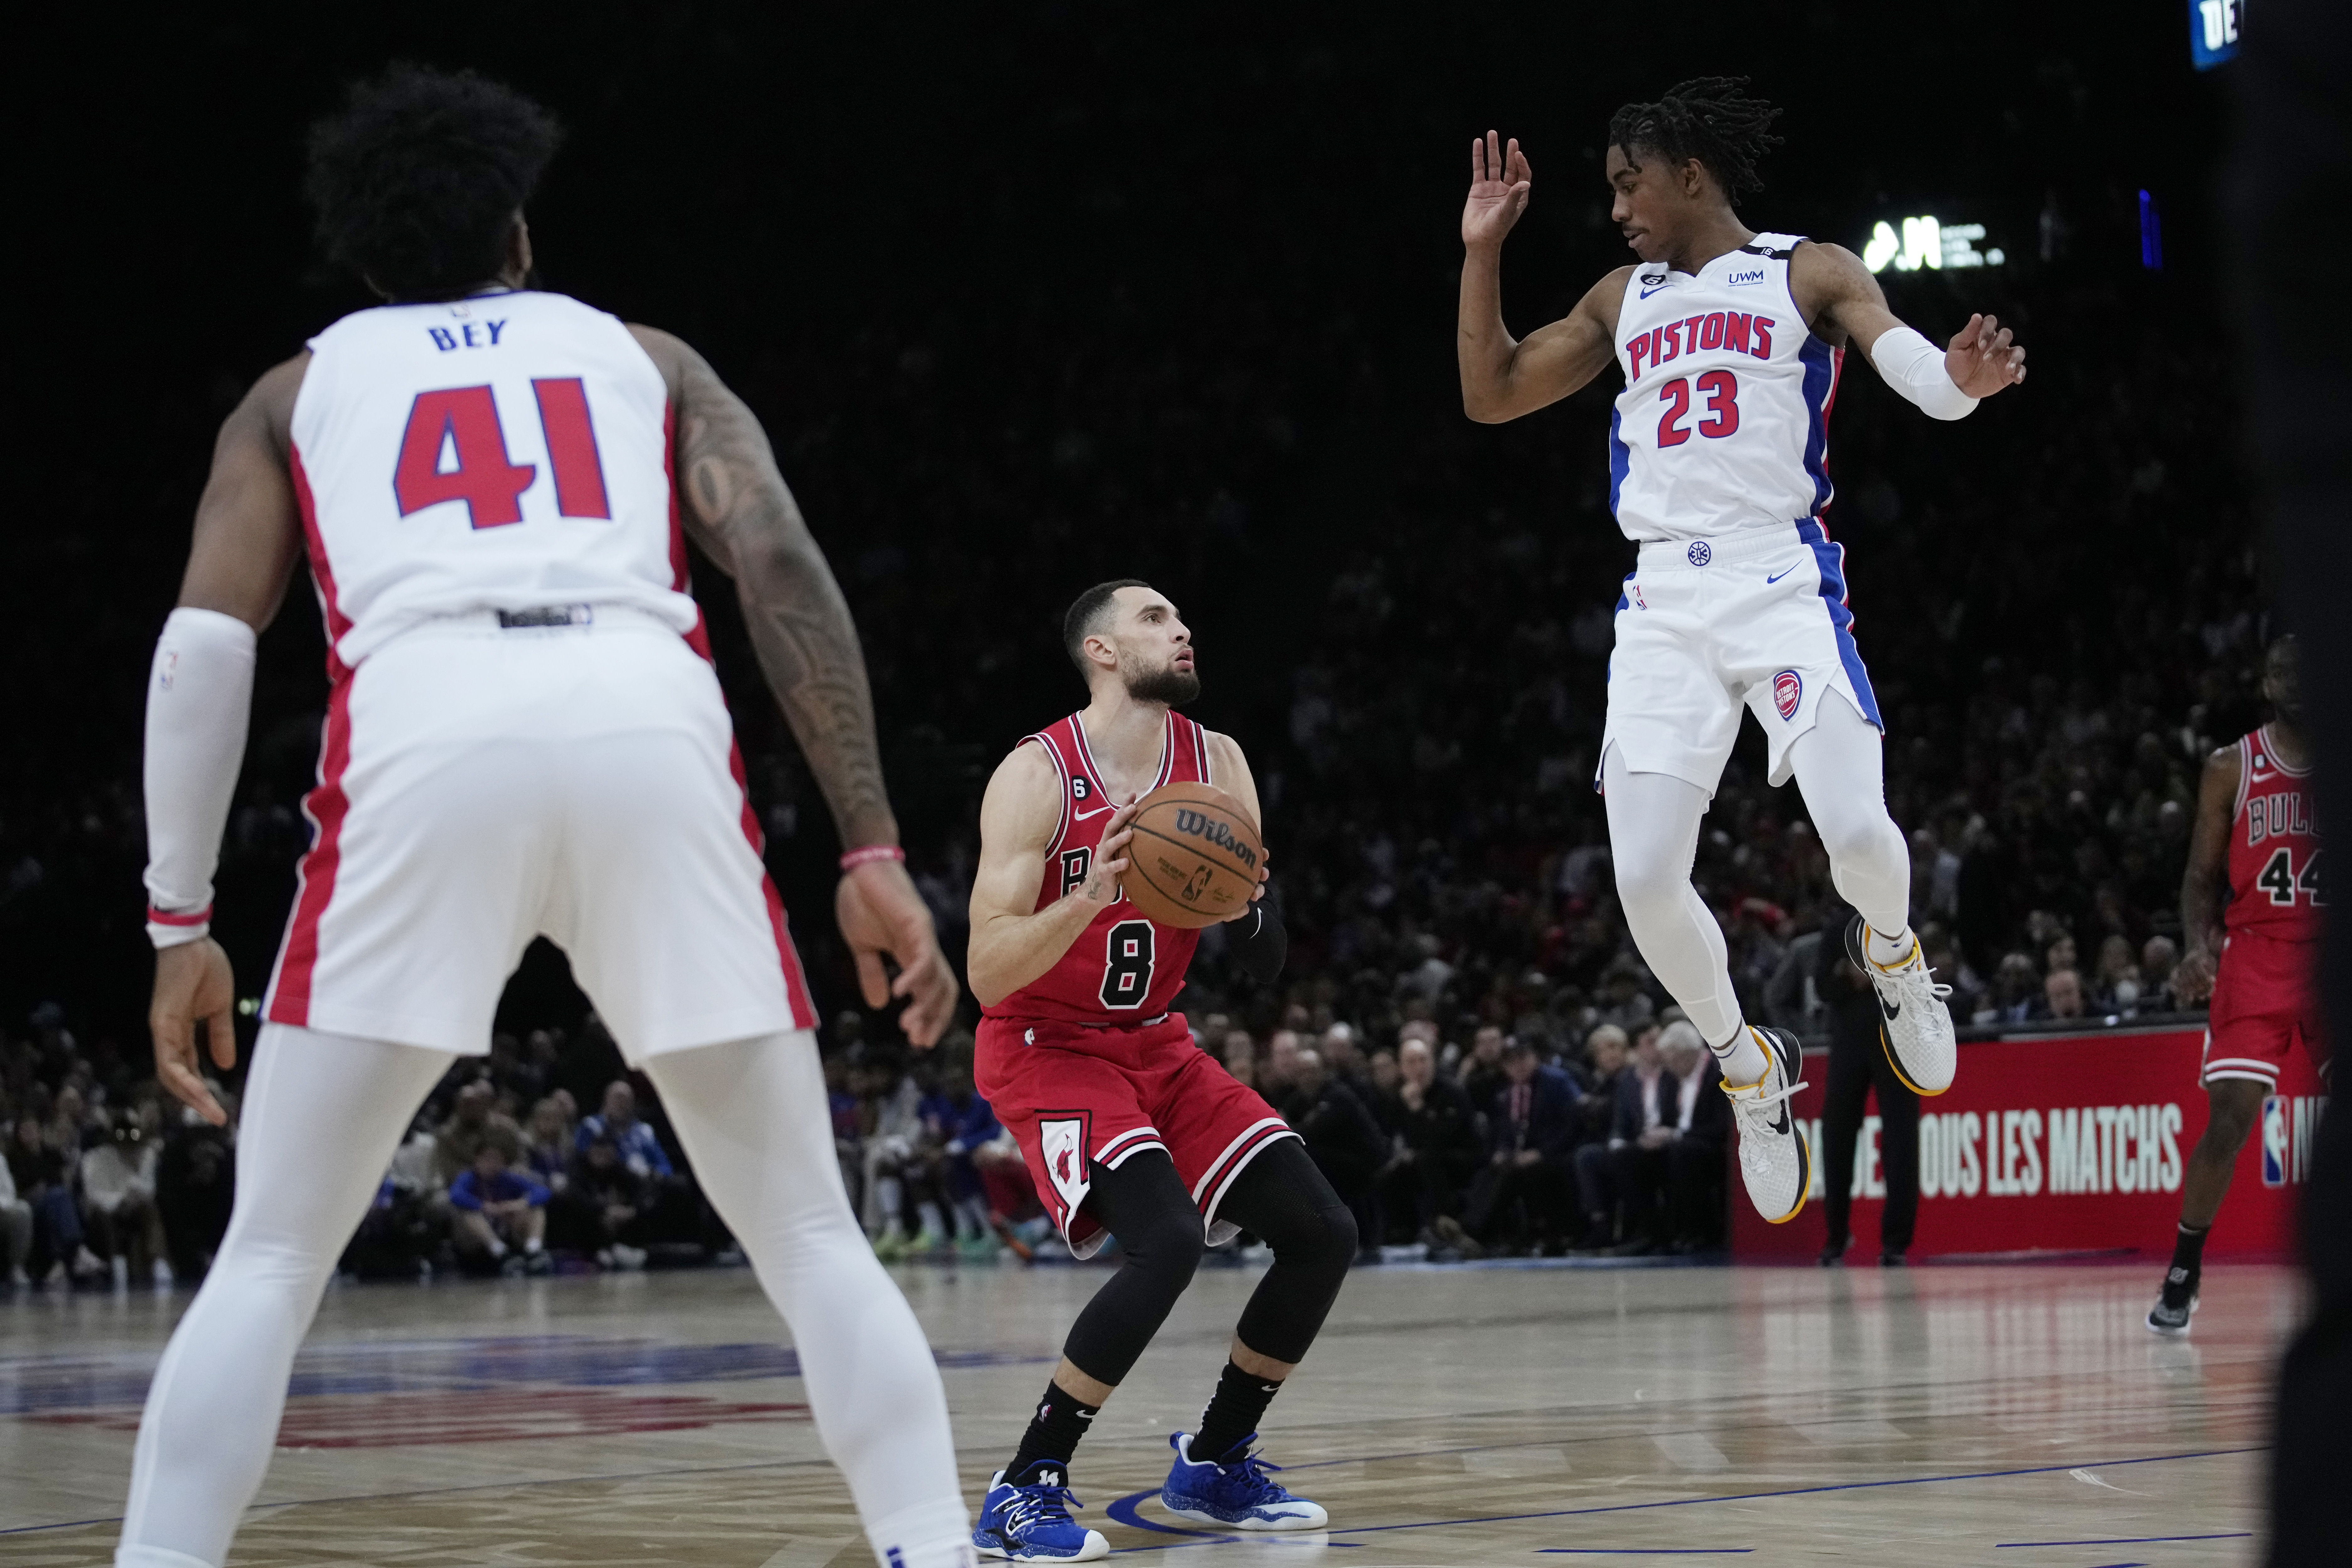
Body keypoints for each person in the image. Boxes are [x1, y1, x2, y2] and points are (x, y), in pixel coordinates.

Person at [121, 66, 971, 1568]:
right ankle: (931, 1546)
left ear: (368, 262)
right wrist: (872, 846)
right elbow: (777, 564)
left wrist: (178, 922)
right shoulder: (642, 354)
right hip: (644, 706)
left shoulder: (295, 389)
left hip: (428, 721)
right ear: (519, 230)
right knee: (816, 1234)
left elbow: (202, 653)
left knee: (269, 1252)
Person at [1457, 78, 2026, 1224]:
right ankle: (1746, 1063)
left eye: (1627, 185)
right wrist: (1481, 255)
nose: (1614, 208)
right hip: (1662, 601)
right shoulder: (1622, 298)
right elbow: (1491, 391)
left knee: (1859, 831)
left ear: (1686, 175)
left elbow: (1907, 358)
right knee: (1644, 881)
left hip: (1779, 579)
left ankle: (1896, 953)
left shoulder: (1804, 269)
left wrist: (1959, 390)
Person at [965, 580, 1346, 1556]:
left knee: (1319, 1230)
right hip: (1047, 1043)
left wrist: (1245, 907)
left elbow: (1265, 961)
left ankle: (1213, 1463)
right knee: (1167, 1239)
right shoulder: (1036, 775)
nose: (1179, 630)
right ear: (1098, 650)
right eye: (1152, 619)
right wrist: (1089, 895)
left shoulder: (1216, 763)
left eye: (1181, 618)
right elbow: (986, 973)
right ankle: (1024, 1484)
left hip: (1156, 1042)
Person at [2149, 638, 2325, 1334]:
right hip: (2255, 953)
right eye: (2280, 669)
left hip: (2327, 953)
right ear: (2264, 683)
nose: (2294, 678)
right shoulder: (2230, 765)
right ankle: (2184, 1267)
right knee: (2230, 1115)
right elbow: (2199, 875)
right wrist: (2197, 946)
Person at [1814, 908, 1920, 1266]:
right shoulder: (1837, 927)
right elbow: (1822, 985)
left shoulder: (1900, 919)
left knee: (1901, 1139)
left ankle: (1895, 1242)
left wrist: (1865, 972)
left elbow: (1915, 976)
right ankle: (1835, 1236)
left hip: (1897, 1040)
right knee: (1836, 1136)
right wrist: (1854, 977)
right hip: (1849, 1043)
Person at [1462, 1037, 1581, 1252]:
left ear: (1534, 1057)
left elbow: (1575, 1124)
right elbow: (1504, 1130)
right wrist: (1502, 1151)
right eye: (1511, 1061)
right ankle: (1485, 1234)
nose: (1518, 1065)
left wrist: (1542, 1152)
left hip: (1557, 1153)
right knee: (1491, 1170)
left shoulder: (1557, 1082)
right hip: (1521, 1154)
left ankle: (1476, 1232)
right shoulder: (1507, 1092)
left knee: (1522, 1172)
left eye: (1523, 1058)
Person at [447, 1143, 551, 1275]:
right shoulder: (468, 1178)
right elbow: (456, 1195)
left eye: (496, 1160)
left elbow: (543, 1192)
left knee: (537, 1209)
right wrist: (484, 1206)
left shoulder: (507, 1178)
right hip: (477, 1240)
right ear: (477, 1160)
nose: (491, 1164)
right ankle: (501, 1253)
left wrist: (519, 1204)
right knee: (469, 1214)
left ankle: (534, 1252)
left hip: (506, 1229)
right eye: (487, 1159)